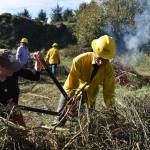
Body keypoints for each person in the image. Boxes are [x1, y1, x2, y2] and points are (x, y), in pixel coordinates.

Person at [52, 35, 116, 126]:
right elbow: (70, 84)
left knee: (87, 123)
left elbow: (109, 92)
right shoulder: (79, 60)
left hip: (91, 94)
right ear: (94, 51)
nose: (102, 62)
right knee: (59, 118)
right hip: (73, 90)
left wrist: (112, 112)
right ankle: (57, 124)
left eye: (105, 59)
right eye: (100, 57)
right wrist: (69, 102)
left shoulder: (108, 69)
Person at [0, 49, 42, 126]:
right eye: (10, 67)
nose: (13, 69)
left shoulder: (14, 71)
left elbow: (35, 76)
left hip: (14, 111)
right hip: (1, 118)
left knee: (22, 132)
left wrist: (38, 61)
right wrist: (4, 108)